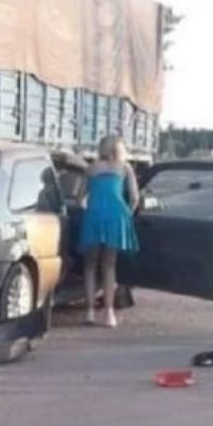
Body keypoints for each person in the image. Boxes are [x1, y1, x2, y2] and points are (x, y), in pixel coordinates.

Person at [79, 135, 140, 327]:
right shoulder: (124, 168)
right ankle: (109, 314)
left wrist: (88, 210)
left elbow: (80, 197)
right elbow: (135, 198)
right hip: (116, 216)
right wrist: (127, 214)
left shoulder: (91, 168)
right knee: (109, 265)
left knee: (89, 265)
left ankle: (89, 312)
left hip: (94, 216)